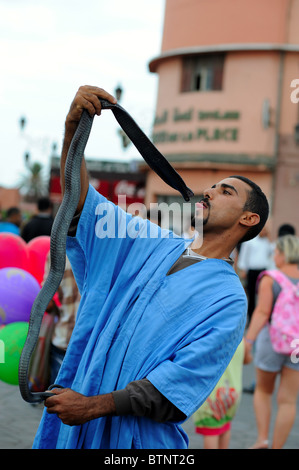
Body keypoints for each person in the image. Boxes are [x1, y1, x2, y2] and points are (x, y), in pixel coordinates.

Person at [33, 85, 269, 449]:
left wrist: (93, 406)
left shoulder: (229, 301)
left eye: (226, 192)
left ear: (249, 219)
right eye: (212, 186)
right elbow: (82, 203)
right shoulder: (150, 241)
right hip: (74, 426)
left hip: (136, 442)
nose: (209, 192)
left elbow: (176, 388)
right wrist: (72, 130)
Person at [245, 235, 299, 449]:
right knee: (287, 401)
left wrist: (249, 340)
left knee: (264, 391)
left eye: (276, 252)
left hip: (271, 341)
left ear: (284, 254)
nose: (274, 256)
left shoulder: (271, 278)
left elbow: (262, 311)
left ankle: (262, 440)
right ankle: (277, 447)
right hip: (296, 346)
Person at [192, 338, 251, 449]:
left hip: (212, 395)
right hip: (233, 392)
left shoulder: (209, 337)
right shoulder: (239, 337)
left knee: (211, 431)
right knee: (225, 425)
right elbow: (248, 359)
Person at [43, 253, 81, 385]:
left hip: (64, 338)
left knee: (58, 399)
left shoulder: (57, 251)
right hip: (95, 342)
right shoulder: (103, 249)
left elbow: (46, 303)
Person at [237, 226, 273, 323]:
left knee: (264, 295)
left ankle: (264, 319)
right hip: (252, 271)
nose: (264, 232)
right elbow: (244, 256)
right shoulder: (250, 241)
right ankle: (251, 318)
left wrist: (269, 238)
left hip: (264, 271)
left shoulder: (267, 242)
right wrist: (243, 270)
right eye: (263, 229)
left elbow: (271, 253)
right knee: (251, 295)